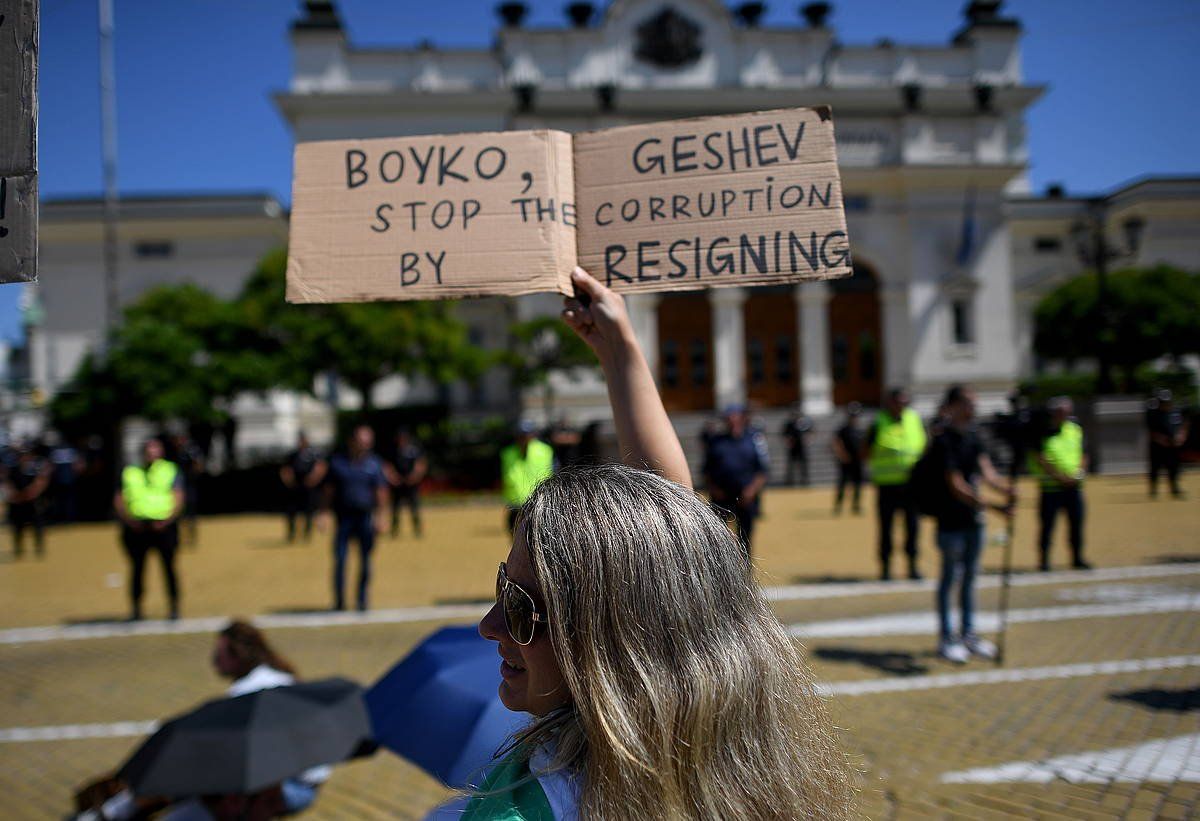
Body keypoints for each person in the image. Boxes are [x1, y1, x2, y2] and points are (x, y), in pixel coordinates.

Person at [431, 267, 852, 820]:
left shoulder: (524, 808)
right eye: (504, 588)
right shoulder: (707, 764)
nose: (490, 624)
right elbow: (669, 546)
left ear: (619, 636)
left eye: (524, 609)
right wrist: (618, 348)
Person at [74, 621, 327, 821]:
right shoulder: (278, 676)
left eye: (220, 654)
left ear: (237, 655)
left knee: (198, 781)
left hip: (291, 789)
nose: (214, 661)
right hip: (302, 782)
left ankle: (118, 809)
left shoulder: (247, 692)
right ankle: (121, 808)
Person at [927, 385, 1015, 664]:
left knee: (970, 579)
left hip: (973, 521)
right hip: (951, 520)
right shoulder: (944, 441)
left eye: (974, 403)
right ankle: (947, 638)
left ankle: (968, 634)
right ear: (951, 406)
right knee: (950, 579)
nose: (972, 408)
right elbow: (957, 486)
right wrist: (995, 506)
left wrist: (1006, 488)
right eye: (966, 403)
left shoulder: (974, 437)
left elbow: (987, 472)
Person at [319, 425, 389, 612]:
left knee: (365, 560)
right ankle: (339, 601)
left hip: (365, 517)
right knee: (340, 559)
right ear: (352, 441)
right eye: (362, 441)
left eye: (368, 442)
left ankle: (362, 600)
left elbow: (381, 491)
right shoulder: (338, 463)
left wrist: (381, 516)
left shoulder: (374, 464)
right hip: (344, 517)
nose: (365, 445)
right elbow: (328, 490)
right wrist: (324, 512)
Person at [115, 438, 184, 621]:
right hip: (137, 527)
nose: (151, 453)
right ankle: (136, 609)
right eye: (148, 449)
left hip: (163, 527)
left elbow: (178, 497)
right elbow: (120, 497)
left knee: (169, 568)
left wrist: (168, 520)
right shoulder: (130, 471)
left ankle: (174, 607)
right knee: (137, 570)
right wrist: (129, 520)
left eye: (155, 449)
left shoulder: (170, 470)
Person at [865, 387, 927, 580]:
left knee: (913, 528)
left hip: (912, 486)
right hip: (887, 486)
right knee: (886, 528)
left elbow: (924, 446)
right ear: (889, 403)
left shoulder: (914, 419)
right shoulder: (878, 422)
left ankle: (912, 566)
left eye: (904, 402)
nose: (901, 406)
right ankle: (885, 568)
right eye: (898, 402)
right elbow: (865, 450)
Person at [702, 404, 769, 555]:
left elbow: (762, 470)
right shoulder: (716, 442)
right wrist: (714, 489)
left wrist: (751, 490)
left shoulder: (753, 440)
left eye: (735, 416)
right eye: (729, 417)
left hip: (746, 496)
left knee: (745, 536)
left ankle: (745, 571)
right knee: (718, 536)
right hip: (721, 496)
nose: (732, 420)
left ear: (743, 419)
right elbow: (706, 470)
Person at [1034, 396, 1090, 571]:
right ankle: (1044, 561)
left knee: (1076, 524)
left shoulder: (1074, 429)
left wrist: (1079, 473)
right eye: (1060, 412)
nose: (1063, 415)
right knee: (1047, 526)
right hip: (1051, 487)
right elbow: (1040, 457)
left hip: (1074, 486)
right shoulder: (1042, 432)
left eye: (1066, 412)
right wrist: (1059, 476)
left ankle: (1077, 558)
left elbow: (1083, 453)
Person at [499, 420, 554, 533]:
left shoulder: (544, 451)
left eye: (526, 435)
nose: (524, 438)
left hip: (538, 503)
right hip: (516, 504)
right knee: (516, 540)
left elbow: (550, 474)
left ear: (533, 435)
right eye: (521, 435)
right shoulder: (507, 453)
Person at [5, 447, 51, 558]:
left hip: (32, 502)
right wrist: (15, 495)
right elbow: (7, 483)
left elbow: (41, 481)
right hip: (18, 502)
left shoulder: (35, 468)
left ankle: (39, 548)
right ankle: (18, 549)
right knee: (17, 527)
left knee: (37, 526)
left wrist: (31, 492)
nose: (24, 458)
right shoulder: (13, 469)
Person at [280, 432, 324, 543]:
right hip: (295, 487)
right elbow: (285, 470)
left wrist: (313, 478)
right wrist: (288, 480)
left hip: (309, 486)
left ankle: (307, 534)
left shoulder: (313, 454)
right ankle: (291, 533)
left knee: (309, 511)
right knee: (291, 511)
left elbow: (321, 466)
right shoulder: (292, 455)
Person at [1146, 389, 1189, 499]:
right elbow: (1151, 431)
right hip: (1158, 446)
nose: (1165, 404)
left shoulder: (1176, 412)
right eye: (1162, 402)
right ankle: (1153, 491)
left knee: (1173, 468)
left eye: (1167, 402)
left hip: (1173, 446)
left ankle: (1174, 489)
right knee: (1155, 468)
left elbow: (1183, 425)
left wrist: (1181, 436)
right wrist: (1162, 440)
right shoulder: (1153, 414)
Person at [388, 428, 427, 538]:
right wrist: (393, 477)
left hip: (411, 483)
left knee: (414, 507)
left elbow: (421, 463)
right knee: (395, 509)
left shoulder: (414, 450)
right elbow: (387, 465)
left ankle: (417, 529)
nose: (401, 440)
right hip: (397, 483)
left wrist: (414, 476)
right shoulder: (393, 450)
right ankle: (394, 530)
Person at [170, 433, 205, 546]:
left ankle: (191, 536)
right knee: (177, 512)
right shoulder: (172, 452)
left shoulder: (190, 451)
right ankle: (178, 536)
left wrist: (191, 475)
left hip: (187, 486)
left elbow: (198, 465)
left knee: (190, 513)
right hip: (176, 487)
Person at [831, 402, 865, 515]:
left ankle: (856, 505)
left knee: (858, 485)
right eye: (852, 416)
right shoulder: (843, 429)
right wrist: (842, 455)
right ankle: (838, 506)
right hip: (846, 461)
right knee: (842, 484)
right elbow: (836, 442)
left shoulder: (860, 430)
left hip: (858, 461)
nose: (854, 418)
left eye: (855, 416)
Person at [781, 406, 814, 486]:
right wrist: (788, 441)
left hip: (801, 447)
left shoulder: (804, 423)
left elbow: (811, 432)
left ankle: (804, 480)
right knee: (791, 465)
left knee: (803, 464)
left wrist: (808, 439)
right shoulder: (789, 424)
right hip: (793, 447)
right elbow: (784, 435)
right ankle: (790, 480)